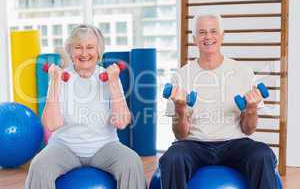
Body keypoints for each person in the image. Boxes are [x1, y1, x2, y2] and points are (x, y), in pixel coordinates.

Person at [159, 13, 278, 189]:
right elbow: (180, 135)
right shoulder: (181, 75)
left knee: (262, 154)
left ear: (222, 36)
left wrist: (251, 109)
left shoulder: (243, 72)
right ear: (194, 39)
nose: (208, 36)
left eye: (213, 31)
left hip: (234, 143)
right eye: (202, 32)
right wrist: (180, 108)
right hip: (194, 144)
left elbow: (248, 129)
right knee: (172, 158)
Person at [25, 24, 147, 189]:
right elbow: (52, 124)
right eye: (78, 47)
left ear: (98, 52)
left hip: (104, 146)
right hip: (64, 147)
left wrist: (113, 85)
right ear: (70, 51)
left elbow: (121, 122)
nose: (84, 53)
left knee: (132, 162)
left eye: (90, 47)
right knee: (39, 166)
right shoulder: (60, 78)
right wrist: (54, 83)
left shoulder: (109, 77)